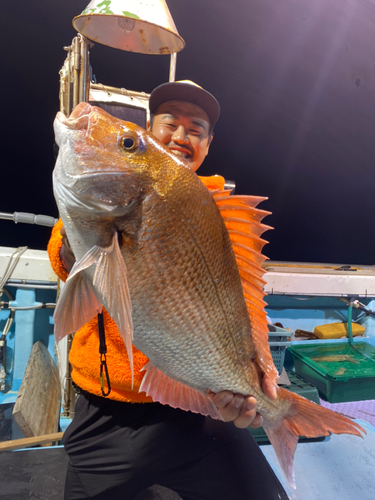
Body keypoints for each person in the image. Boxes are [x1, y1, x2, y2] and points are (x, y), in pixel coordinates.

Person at [48, 81, 288, 500]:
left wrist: (258, 382)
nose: (180, 136)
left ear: (208, 144)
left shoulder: (224, 213)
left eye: (195, 128)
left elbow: (249, 299)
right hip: (103, 414)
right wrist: (90, 227)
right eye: (169, 123)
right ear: (150, 128)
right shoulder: (99, 205)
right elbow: (66, 262)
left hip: (192, 414)